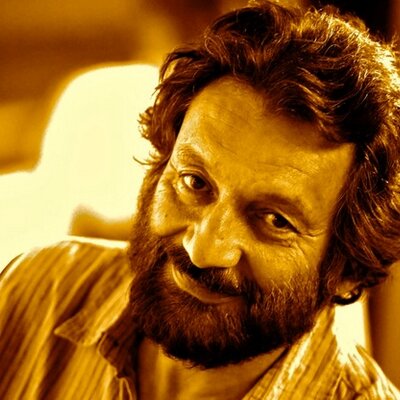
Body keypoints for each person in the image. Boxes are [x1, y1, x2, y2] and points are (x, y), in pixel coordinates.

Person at [1, 1, 400, 398]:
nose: (203, 249)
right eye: (194, 183)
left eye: (275, 220)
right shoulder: (36, 291)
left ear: (347, 269)